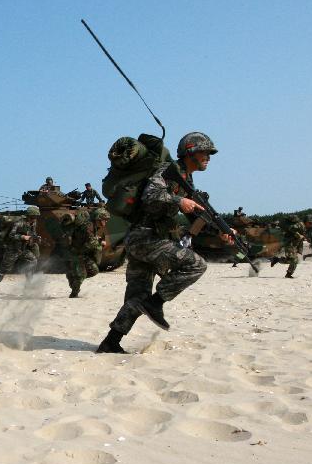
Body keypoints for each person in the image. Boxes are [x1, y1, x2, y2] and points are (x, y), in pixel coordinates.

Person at [96, 132, 227, 354]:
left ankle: (111, 342)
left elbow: (196, 218)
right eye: (205, 153)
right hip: (146, 237)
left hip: (144, 239)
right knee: (196, 265)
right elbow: (150, 196)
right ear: (190, 152)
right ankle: (156, 303)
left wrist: (224, 231)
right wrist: (179, 200)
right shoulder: (167, 172)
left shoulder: (187, 180)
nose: (208, 158)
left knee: (137, 297)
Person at [0, 206, 40, 294]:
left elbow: (32, 233)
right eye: (33, 217)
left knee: (33, 260)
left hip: (23, 249)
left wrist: (35, 238)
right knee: (4, 269)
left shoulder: (33, 223)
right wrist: (23, 237)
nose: (34, 219)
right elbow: (11, 235)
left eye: (36, 217)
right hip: (12, 250)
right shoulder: (19, 223)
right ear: (29, 216)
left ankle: (27, 286)